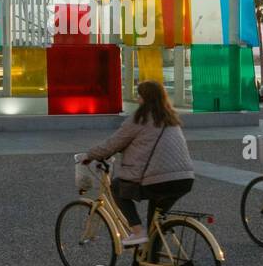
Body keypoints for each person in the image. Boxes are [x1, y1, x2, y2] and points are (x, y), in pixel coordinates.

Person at [82, 81, 195, 249]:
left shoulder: (139, 118)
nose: (137, 99)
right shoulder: (170, 117)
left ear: (145, 98)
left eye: (139, 95)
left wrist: (89, 155)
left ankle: (137, 231)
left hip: (158, 180)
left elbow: (113, 144)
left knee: (117, 187)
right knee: (155, 226)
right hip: (184, 179)